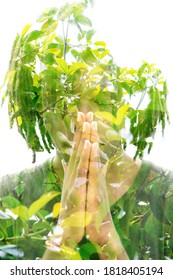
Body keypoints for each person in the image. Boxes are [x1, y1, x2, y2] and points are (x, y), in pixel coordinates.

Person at [1, 108, 173, 260]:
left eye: (98, 98)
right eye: (63, 105)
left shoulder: (167, 192)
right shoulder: (8, 194)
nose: (80, 118)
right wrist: (62, 240)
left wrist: (108, 242)